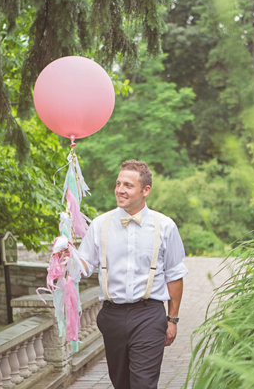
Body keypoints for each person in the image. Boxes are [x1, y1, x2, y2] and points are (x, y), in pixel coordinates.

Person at [78, 159, 188, 389]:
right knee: (121, 383)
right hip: (112, 315)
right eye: (118, 183)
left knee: (143, 384)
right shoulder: (100, 225)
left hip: (149, 315)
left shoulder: (165, 226)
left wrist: (173, 319)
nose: (120, 189)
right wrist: (64, 256)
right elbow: (83, 266)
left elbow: (175, 275)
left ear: (145, 190)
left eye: (128, 185)